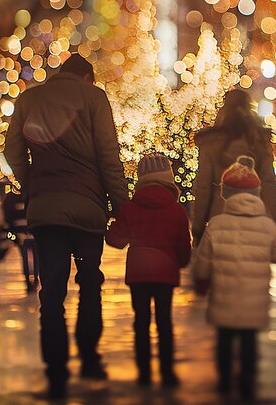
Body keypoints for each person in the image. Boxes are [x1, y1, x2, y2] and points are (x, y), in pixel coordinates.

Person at [4, 54, 128, 400]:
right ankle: (89, 359)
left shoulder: (29, 98)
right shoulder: (94, 97)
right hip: (88, 211)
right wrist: (120, 205)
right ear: (87, 77)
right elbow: (108, 154)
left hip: (47, 211)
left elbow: (12, 149)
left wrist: (31, 183)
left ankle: (56, 372)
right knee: (90, 284)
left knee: (52, 295)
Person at [193, 156, 276, 401]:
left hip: (224, 299)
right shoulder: (267, 226)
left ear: (226, 194)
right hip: (253, 303)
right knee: (249, 342)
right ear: (257, 193)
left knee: (224, 340)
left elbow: (203, 263)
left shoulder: (216, 224)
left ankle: (225, 381)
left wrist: (202, 281)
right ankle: (248, 381)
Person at [106, 153, 192, 387]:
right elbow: (184, 245)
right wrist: (180, 262)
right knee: (164, 322)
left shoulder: (130, 208)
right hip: (165, 272)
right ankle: (167, 372)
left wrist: (113, 224)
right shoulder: (177, 211)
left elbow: (116, 241)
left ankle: (144, 372)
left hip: (139, 273)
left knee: (141, 322)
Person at [192, 88, 276, 245]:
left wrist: (198, 227)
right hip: (254, 220)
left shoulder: (212, 143)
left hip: (220, 221)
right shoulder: (258, 143)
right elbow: (270, 185)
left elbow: (203, 187)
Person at [3, 188, 38, 293]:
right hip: (33, 233)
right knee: (36, 258)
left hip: (20, 234)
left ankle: (28, 280)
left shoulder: (11, 199)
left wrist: (12, 233)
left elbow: (8, 217)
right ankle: (35, 279)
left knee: (25, 258)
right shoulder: (33, 195)